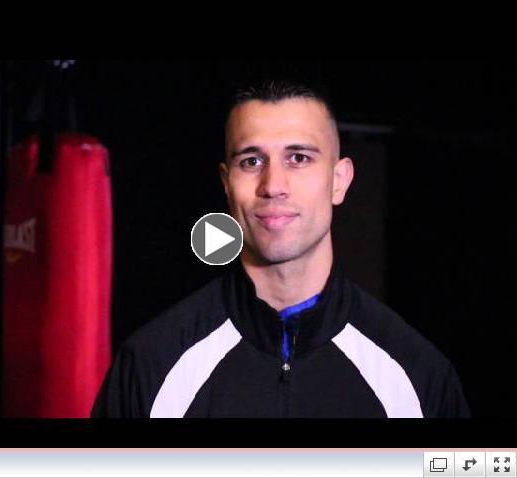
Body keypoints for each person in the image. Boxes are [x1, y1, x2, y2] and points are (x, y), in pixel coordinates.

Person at [91, 78, 470, 417]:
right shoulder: (151, 364)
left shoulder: (418, 375)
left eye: (299, 158)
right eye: (252, 160)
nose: (273, 185)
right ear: (227, 184)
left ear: (339, 181)